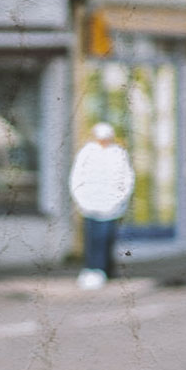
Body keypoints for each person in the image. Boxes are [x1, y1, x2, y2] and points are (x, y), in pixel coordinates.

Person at [69, 120, 135, 287]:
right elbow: (77, 177)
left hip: (111, 206)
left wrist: (120, 199)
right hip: (89, 204)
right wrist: (80, 199)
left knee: (106, 238)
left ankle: (105, 269)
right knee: (93, 238)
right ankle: (94, 269)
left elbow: (126, 178)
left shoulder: (118, 153)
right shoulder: (87, 153)